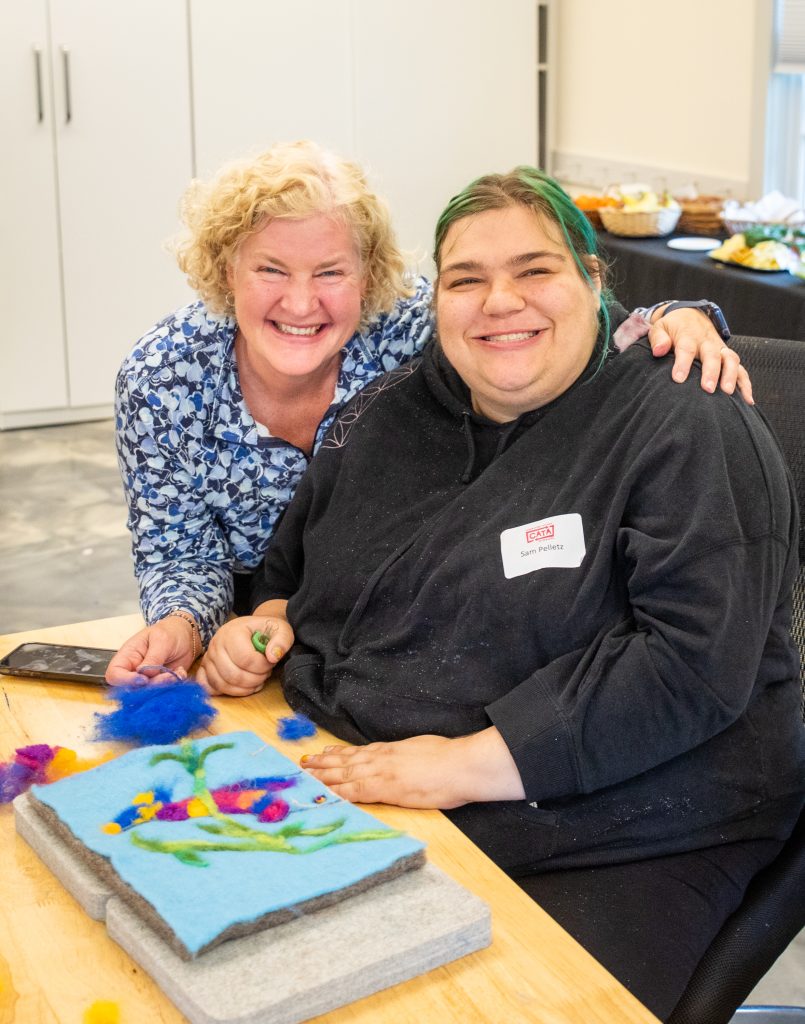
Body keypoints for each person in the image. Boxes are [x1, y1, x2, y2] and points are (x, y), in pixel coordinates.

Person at [199, 166, 804, 1021]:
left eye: (534, 270)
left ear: (595, 283)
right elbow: (294, 572)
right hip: (383, 786)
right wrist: (265, 624)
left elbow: (690, 665)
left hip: (624, 825)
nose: (499, 302)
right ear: (434, 299)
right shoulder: (391, 411)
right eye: (466, 280)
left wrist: (460, 764)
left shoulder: (685, 418)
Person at [107, 140, 749, 685]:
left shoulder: (416, 323)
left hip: (393, 603)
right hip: (254, 623)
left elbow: (558, 328)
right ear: (228, 271)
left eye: (330, 271)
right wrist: (185, 625)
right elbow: (179, 555)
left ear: (368, 273)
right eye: (271, 269)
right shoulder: (162, 378)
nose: (301, 303)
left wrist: (679, 319)